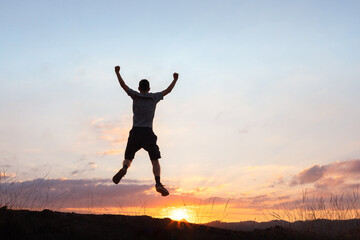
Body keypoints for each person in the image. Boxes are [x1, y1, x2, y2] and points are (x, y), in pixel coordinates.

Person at [112, 65, 179, 196]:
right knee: (154, 160)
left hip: (135, 132)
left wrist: (117, 72)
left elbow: (123, 85)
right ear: (149, 89)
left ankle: (124, 168)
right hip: (148, 133)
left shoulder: (135, 95)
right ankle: (158, 183)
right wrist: (175, 79)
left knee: (128, 157)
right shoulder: (154, 97)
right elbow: (168, 90)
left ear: (139, 88)